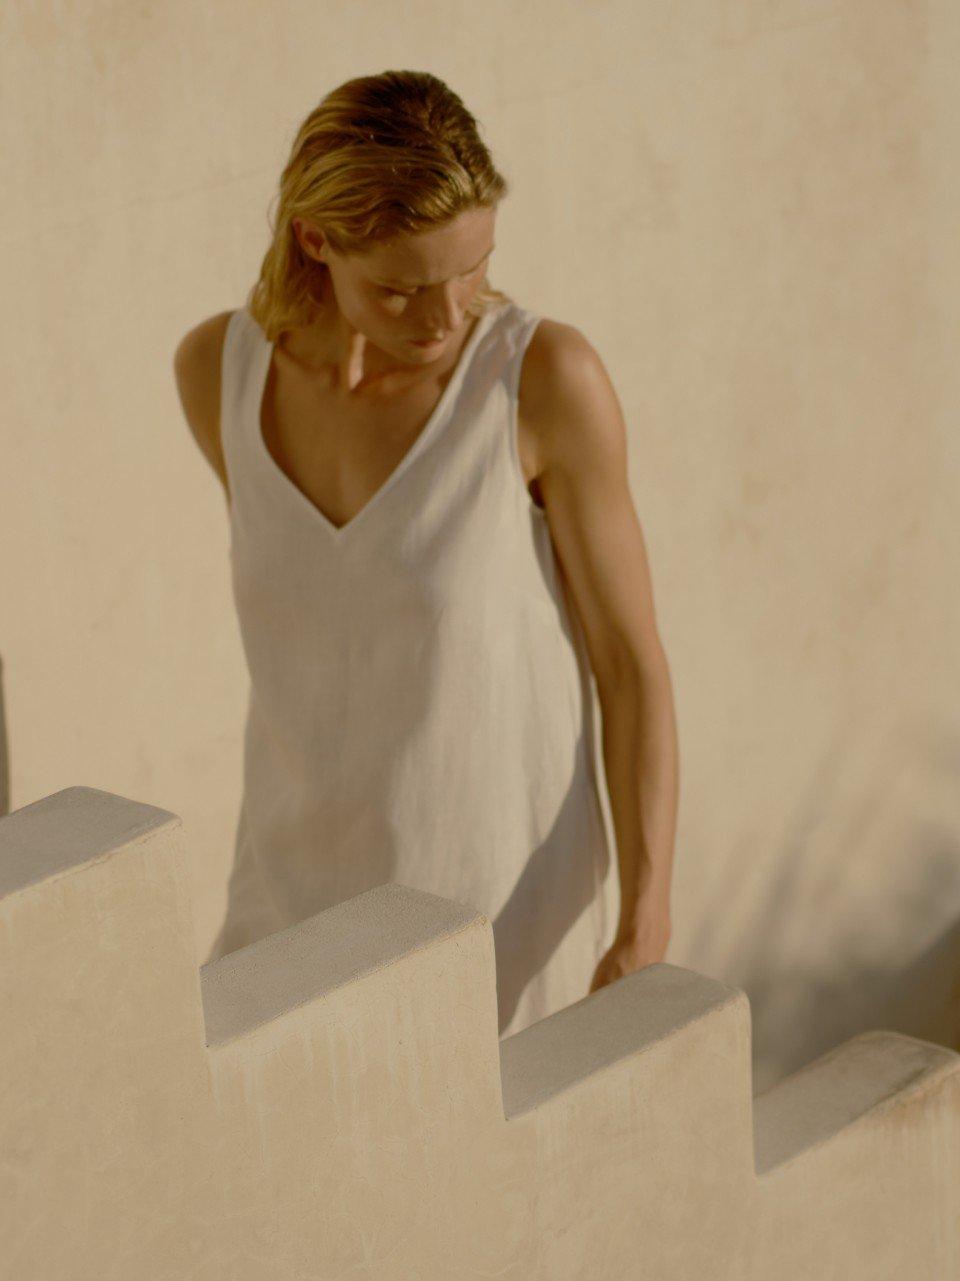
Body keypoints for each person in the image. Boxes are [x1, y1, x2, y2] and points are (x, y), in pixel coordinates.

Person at [173, 70, 679, 1039]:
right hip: (283, 941)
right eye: (401, 288)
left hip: (502, 955)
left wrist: (643, 925)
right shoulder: (218, 377)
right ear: (316, 242)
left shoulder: (539, 383)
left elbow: (632, 663)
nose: (447, 317)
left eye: (474, 269)